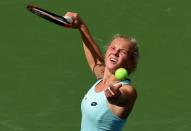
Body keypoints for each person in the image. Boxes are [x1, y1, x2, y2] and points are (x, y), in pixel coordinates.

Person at [64, 12, 139, 131]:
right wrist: (80, 25)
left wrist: (117, 98)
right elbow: (95, 60)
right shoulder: (102, 77)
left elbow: (126, 98)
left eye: (122, 51)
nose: (115, 52)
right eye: (113, 48)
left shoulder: (128, 90)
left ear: (130, 63)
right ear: (106, 53)